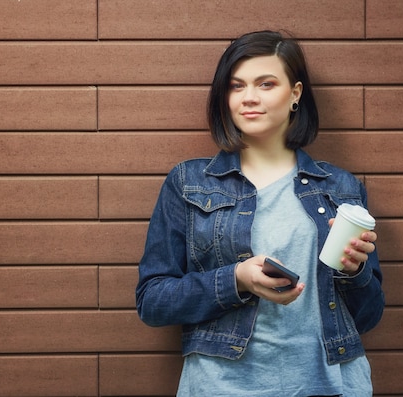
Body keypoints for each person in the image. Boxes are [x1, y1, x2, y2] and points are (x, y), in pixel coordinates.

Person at [135, 30, 385, 396]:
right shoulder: (187, 182)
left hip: (331, 384)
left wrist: (356, 272)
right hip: (221, 386)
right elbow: (153, 301)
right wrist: (236, 279)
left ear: (295, 93)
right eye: (236, 86)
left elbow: (369, 316)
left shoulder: (341, 188)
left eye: (266, 84)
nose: (249, 98)